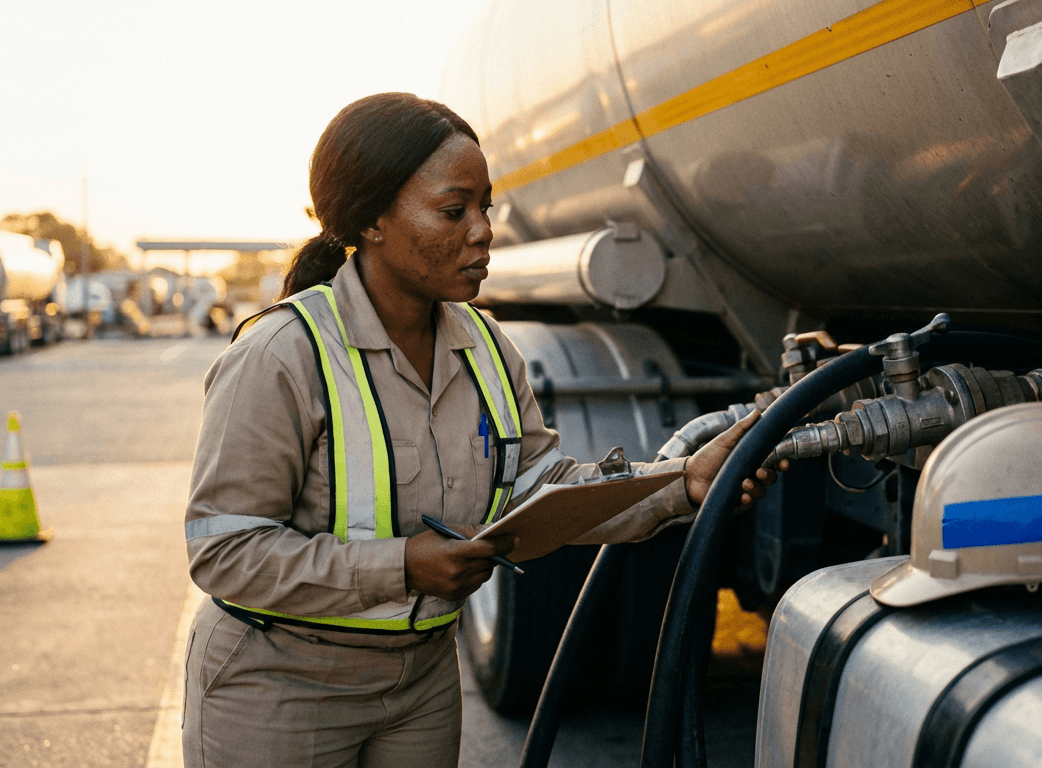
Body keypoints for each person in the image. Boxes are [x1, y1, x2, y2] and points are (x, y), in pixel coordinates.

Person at [182, 92, 775, 768]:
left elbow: (541, 491)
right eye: (454, 210)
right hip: (278, 688)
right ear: (372, 219)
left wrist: (679, 485)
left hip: (422, 684)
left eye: (486, 206)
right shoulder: (280, 356)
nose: (484, 230)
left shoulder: (488, 347)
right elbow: (224, 550)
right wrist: (403, 567)